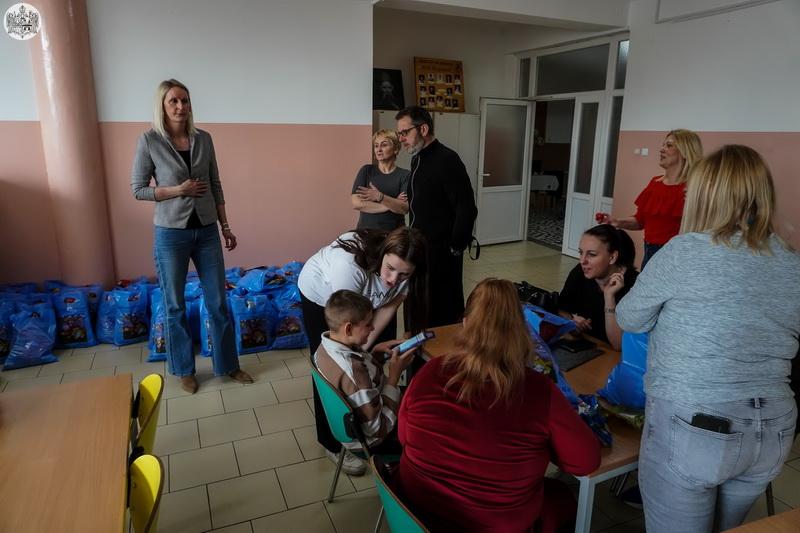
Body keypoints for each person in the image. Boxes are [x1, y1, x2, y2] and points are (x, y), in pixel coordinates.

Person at [616, 145, 800, 533]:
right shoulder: (790, 260)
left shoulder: (684, 251)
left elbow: (629, 317)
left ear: (704, 195)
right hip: (773, 427)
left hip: (696, 421)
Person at [396, 278, 601, 532]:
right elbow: (586, 462)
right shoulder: (539, 390)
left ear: (465, 323)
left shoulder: (431, 370)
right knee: (561, 498)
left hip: (414, 515)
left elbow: (404, 437)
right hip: (491, 524)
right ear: (522, 331)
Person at [131, 79, 253, 394]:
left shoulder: (203, 139)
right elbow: (138, 189)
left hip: (207, 230)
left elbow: (215, 184)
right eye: (173, 101)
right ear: (162, 106)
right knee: (175, 305)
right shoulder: (149, 141)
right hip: (171, 234)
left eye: (184, 100)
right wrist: (177, 190)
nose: (180, 106)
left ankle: (228, 365)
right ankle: (184, 369)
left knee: (218, 301)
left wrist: (225, 226)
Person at [298, 226, 427, 474]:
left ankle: (365, 404)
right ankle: (333, 443)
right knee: (332, 373)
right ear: (383, 253)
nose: (393, 280)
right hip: (321, 294)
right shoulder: (348, 268)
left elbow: (384, 311)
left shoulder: (405, 272)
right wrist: (383, 372)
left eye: (404, 275)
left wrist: (368, 353)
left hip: (354, 316)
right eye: (390, 268)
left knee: (355, 365)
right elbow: (349, 328)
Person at [395, 106, 477, 327]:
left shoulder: (447, 159)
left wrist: (455, 246)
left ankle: (442, 346)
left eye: (405, 132)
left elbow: (466, 207)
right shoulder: (417, 159)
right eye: (399, 134)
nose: (401, 139)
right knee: (419, 303)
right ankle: (418, 345)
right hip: (420, 249)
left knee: (442, 307)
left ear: (423, 129)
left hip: (442, 253)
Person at [313, 290, 416, 456]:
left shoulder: (325, 347)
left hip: (360, 419)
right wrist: (394, 376)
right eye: (368, 324)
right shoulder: (354, 372)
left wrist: (375, 355)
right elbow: (377, 429)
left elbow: (357, 383)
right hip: (374, 442)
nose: (373, 327)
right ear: (348, 329)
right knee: (429, 418)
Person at [597, 129, 702, 268]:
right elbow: (640, 221)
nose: (662, 149)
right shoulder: (655, 183)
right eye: (663, 145)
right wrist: (617, 222)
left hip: (676, 258)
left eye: (669, 145)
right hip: (649, 253)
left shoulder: (695, 188)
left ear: (685, 152)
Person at [558, 224, 637, 350]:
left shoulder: (635, 286)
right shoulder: (580, 272)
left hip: (616, 355)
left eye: (592, 254)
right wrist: (572, 322)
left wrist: (609, 297)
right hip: (589, 347)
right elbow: (561, 310)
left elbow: (618, 345)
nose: (582, 261)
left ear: (612, 257)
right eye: (581, 252)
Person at [350, 129, 409, 231]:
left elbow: (404, 208)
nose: (379, 149)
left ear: (396, 149)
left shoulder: (405, 175)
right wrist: (391, 204)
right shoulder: (366, 170)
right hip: (366, 233)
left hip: (395, 235)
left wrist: (379, 196)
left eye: (384, 145)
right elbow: (357, 203)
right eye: (376, 146)